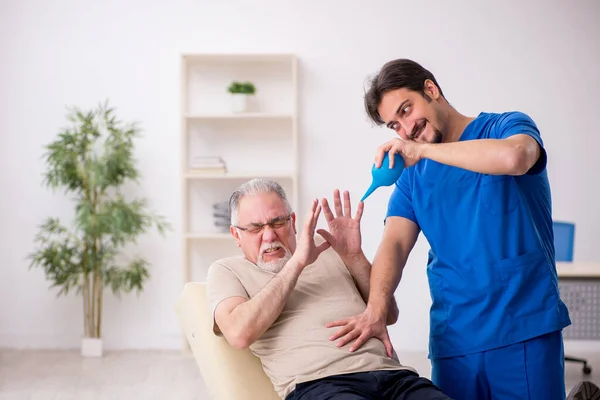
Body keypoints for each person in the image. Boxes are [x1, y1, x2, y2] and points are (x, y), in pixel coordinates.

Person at [324, 58, 573, 399]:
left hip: (523, 328)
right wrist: (376, 310)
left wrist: (425, 150)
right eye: (394, 125)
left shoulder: (505, 127)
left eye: (406, 110)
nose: (405, 129)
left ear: (431, 89)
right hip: (454, 341)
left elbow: (516, 158)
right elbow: (394, 243)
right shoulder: (412, 176)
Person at [207, 178, 453, 400]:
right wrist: (297, 263)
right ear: (236, 235)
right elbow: (239, 334)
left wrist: (354, 256)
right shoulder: (226, 270)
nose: (270, 235)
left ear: (292, 222)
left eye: (277, 222)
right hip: (319, 385)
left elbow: (388, 314)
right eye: (255, 228)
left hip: (392, 376)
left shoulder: (329, 246)